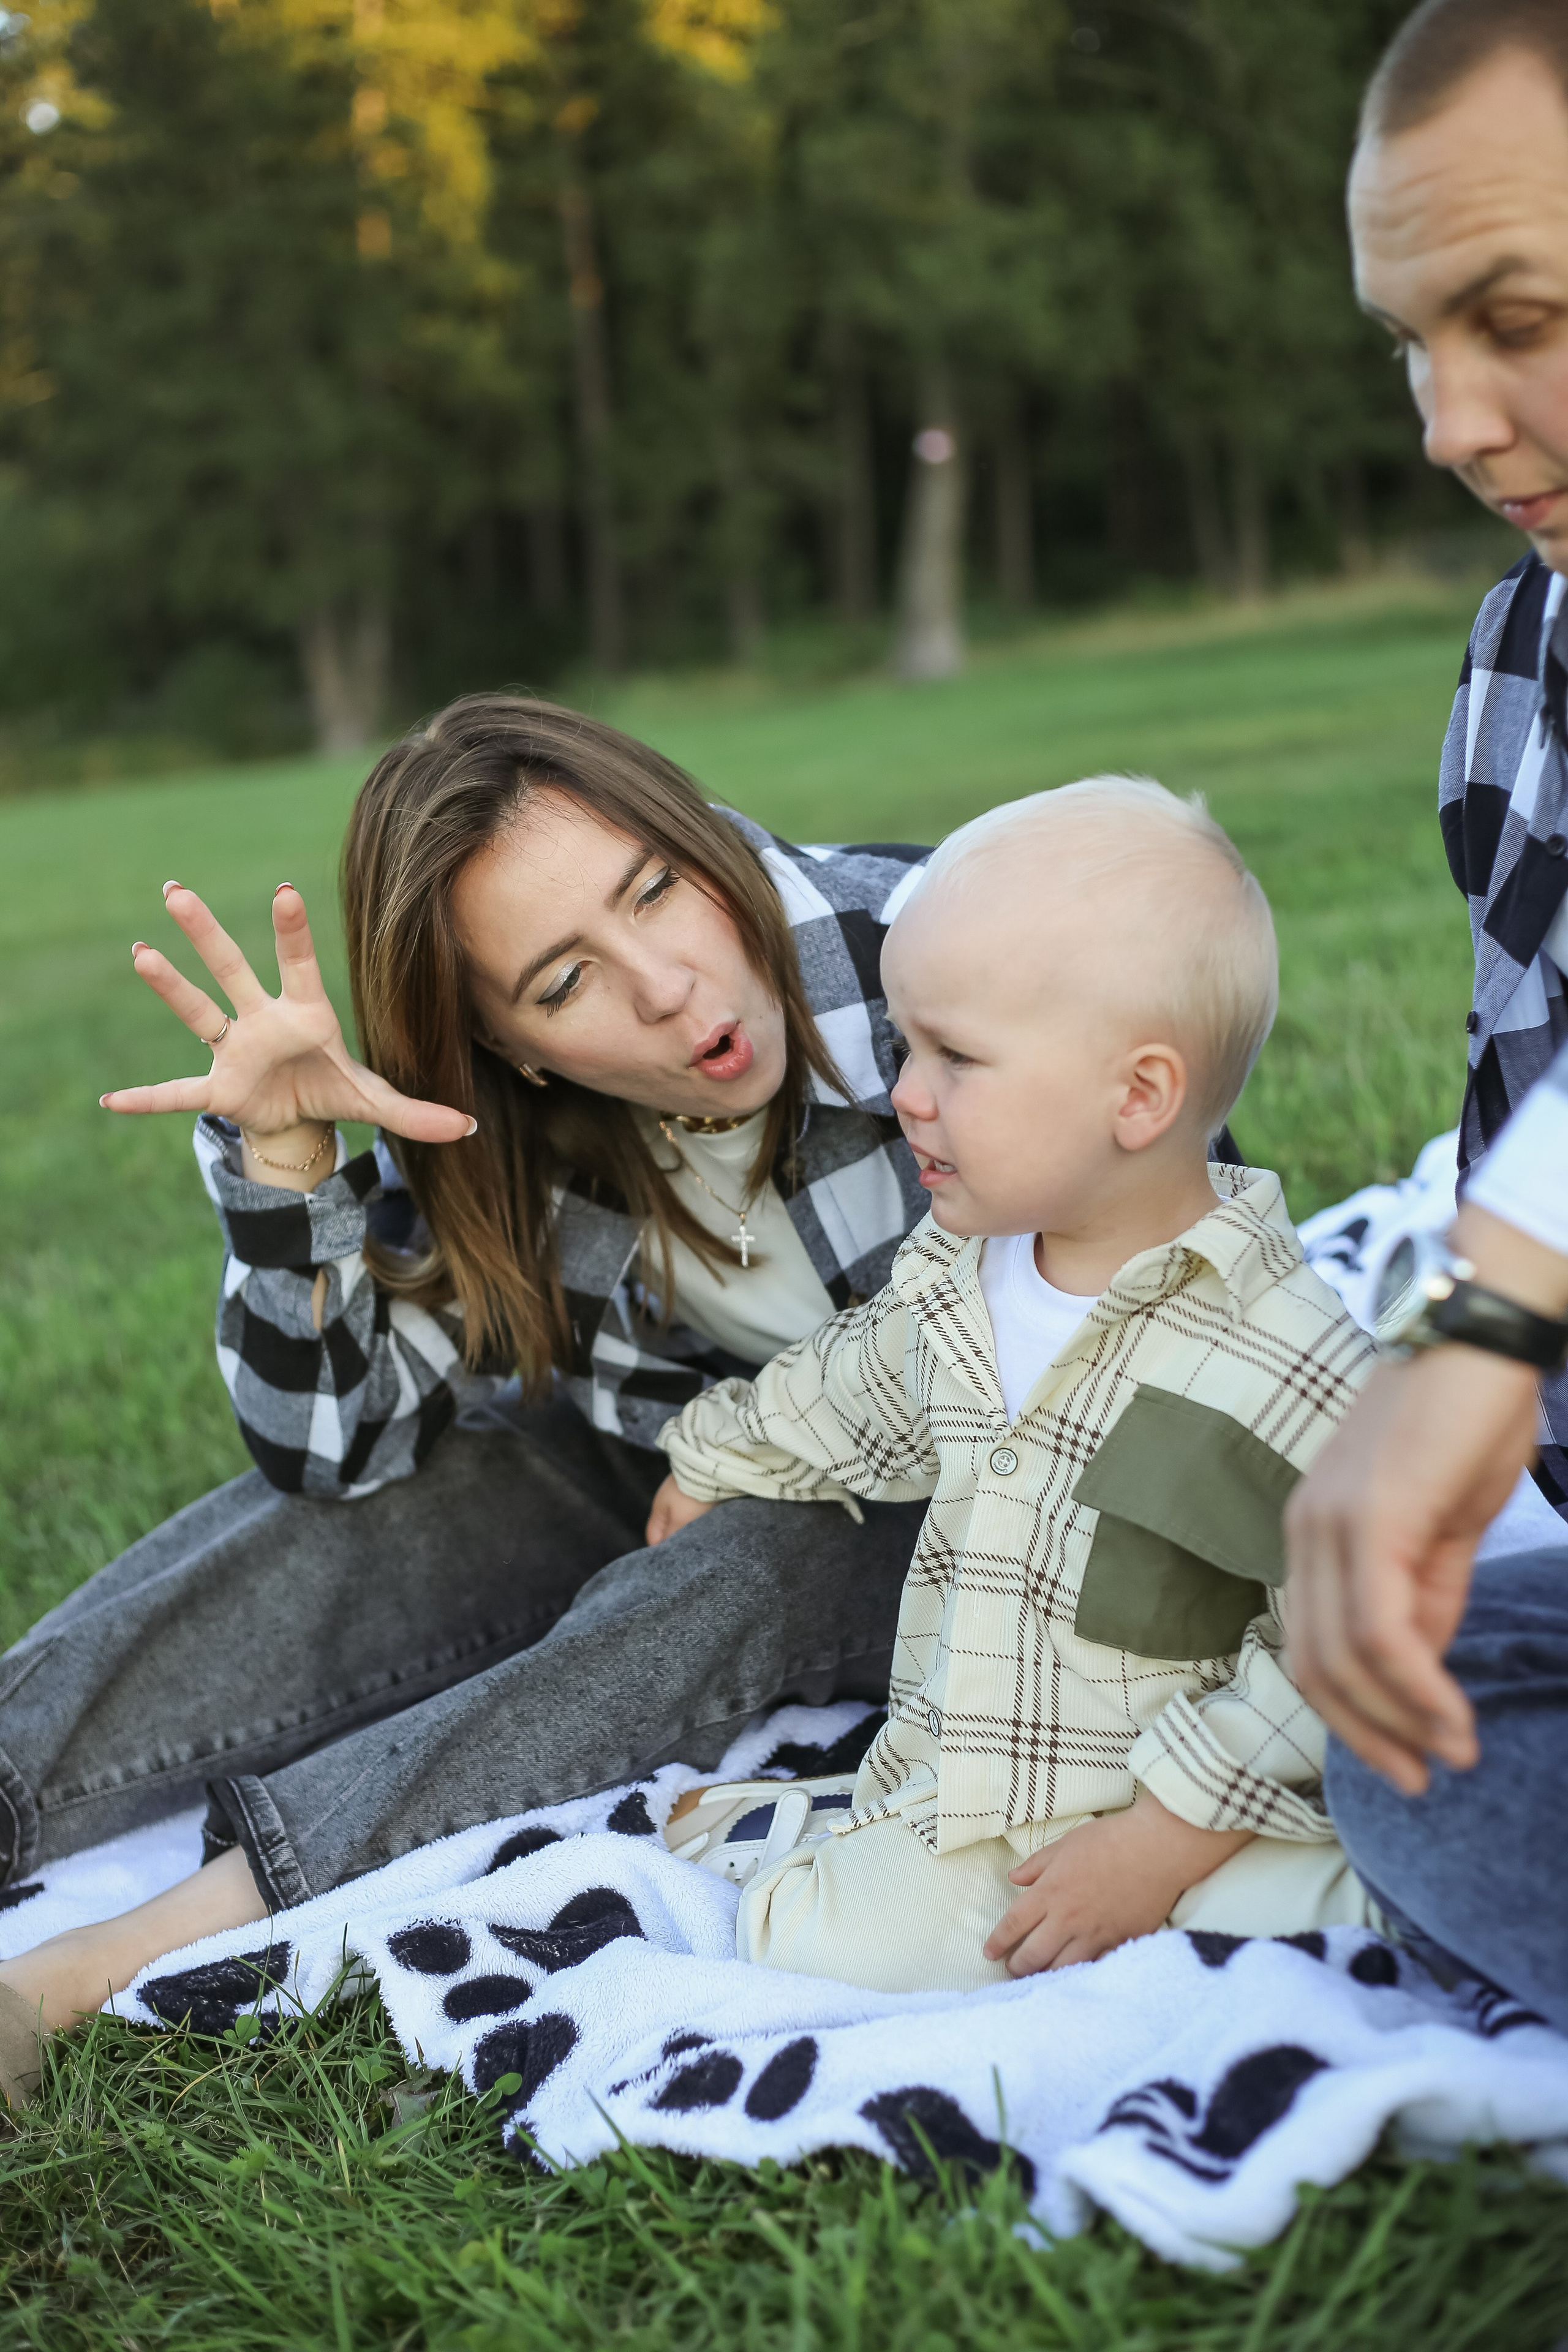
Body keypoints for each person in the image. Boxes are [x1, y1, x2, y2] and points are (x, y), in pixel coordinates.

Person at [0, 695, 939, 2099]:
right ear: (513, 1048)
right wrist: (287, 1165)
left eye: (655, 889)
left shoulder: (940, 951)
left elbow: (1106, 1333)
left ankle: (102, 1962)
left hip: (985, 1516)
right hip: (675, 1462)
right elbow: (335, 1452)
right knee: (438, 1480)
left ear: (697, 836)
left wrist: (760, 1448)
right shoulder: (502, 1127)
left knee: (745, 1558)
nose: (663, 986)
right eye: (562, 983)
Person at [649, 779, 1377, 1994]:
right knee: (818, 1951)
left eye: (956, 1056)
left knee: (1367, 1907)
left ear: (1137, 1096)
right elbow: (840, 1392)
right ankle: (827, 1833)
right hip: (985, 1787)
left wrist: (1162, 1842)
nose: (904, 1093)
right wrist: (710, 1456)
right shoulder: (955, 1280)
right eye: (904, 1047)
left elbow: (1335, 1648)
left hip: (1186, 1799)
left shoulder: (1283, 1361)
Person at [1283, 0, 1568, 2036]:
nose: (1450, 425)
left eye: (1519, 321)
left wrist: (1480, 1327)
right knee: (1415, 1735)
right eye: (1411, 345)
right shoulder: (1518, 663)